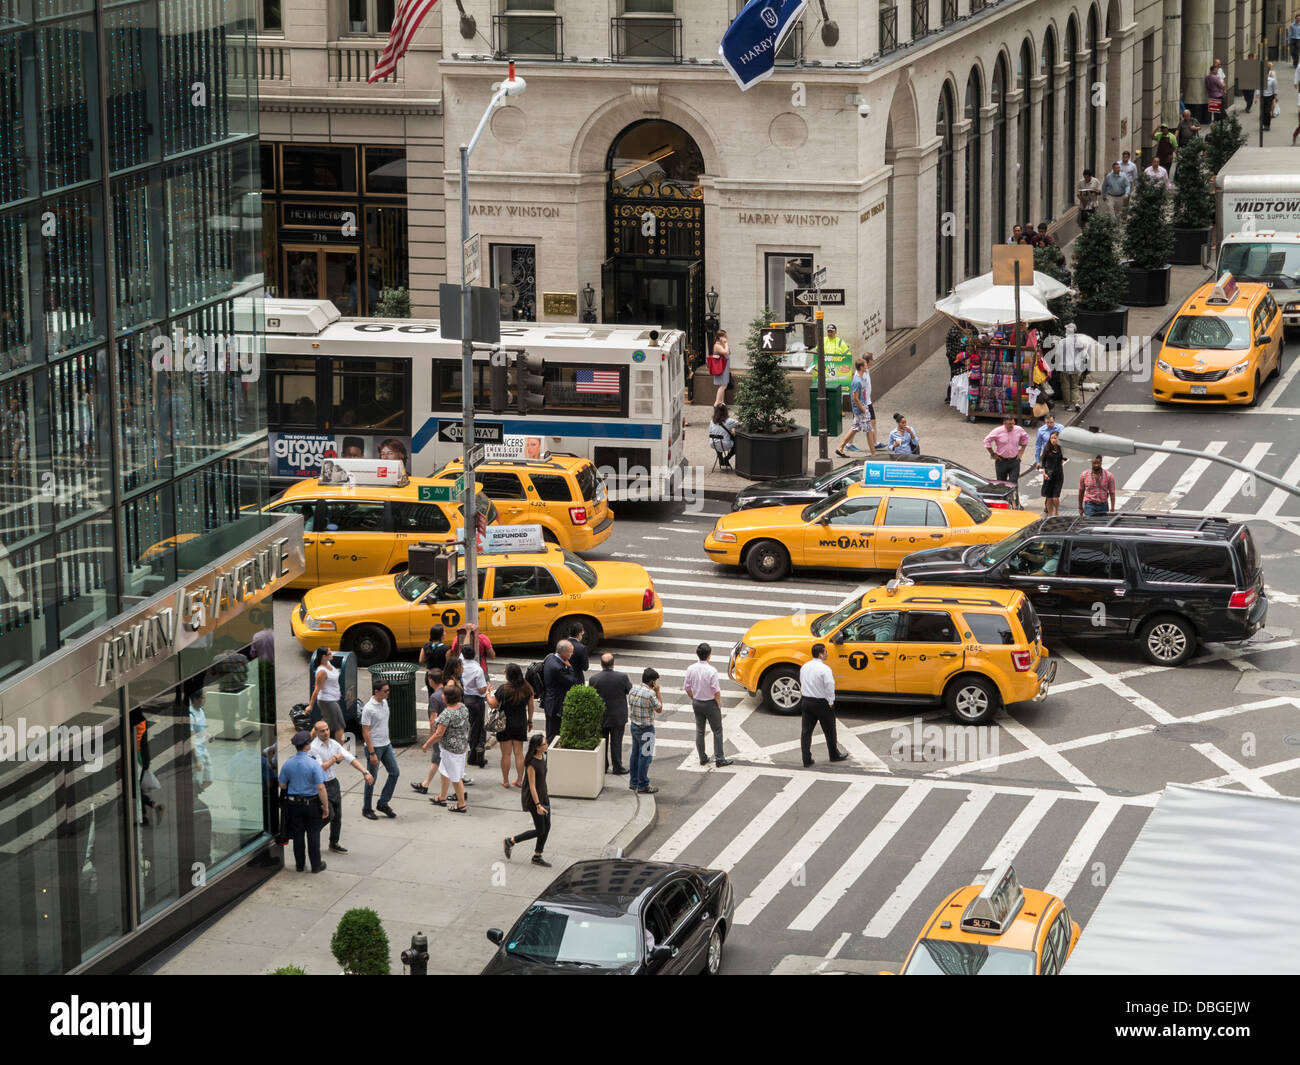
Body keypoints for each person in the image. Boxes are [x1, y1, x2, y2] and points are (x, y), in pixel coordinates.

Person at [310, 718, 373, 854]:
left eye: (327, 729)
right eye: (322, 731)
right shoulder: (313, 748)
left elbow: (349, 757)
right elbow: (320, 768)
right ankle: (312, 834)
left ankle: (334, 842)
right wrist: (334, 759)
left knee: (337, 816)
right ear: (316, 733)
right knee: (328, 815)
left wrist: (365, 772)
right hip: (322, 785)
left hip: (333, 783)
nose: (326, 732)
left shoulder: (333, 744)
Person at [278, 730, 330, 873]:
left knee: (298, 834)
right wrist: (325, 807)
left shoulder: (288, 763)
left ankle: (299, 865)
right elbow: (321, 787)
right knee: (313, 835)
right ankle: (316, 865)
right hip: (311, 804)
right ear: (307, 746)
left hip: (294, 804)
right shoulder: (313, 765)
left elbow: (282, 785)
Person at [503, 734, 552, 867]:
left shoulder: (543, 756)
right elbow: (531, 786)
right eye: (544, 744)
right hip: (534, 800)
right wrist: (537, 805)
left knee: (547, 827)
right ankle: (511, 841)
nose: (547, 745)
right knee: (540, 830)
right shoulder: (531, 763)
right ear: (537, 747)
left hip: (544, 796)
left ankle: (537, 856)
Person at [683, 643, 731, 768]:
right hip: (710, 703)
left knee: (700, 731)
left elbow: (687, 687)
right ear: (709, 655)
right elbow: (716, 690)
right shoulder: (711, 671)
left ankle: (702, 758)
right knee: (717, 731)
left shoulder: (690, 669)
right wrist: (718, 703)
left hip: (697, 702)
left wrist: (694, 697)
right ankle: (720, 758)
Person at [799, 643, 847, 767]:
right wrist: (831, 701)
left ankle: (806, 759)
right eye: (825, 652)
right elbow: (829, 686)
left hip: (806, 701)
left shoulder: (805, 666)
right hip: (821, 703)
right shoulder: (825, 669)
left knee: (806, 732)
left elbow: (802, 681)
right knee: (830, 730)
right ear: (820, 654)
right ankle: (834, 755)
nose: (827, 653)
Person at [489, 663, 534, 788]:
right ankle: (519, 780)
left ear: (508, 675)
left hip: (505, 724)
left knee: (506, 754)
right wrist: (530, 721)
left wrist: (488, 694)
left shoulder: (504, 689)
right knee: (519, 753)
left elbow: (493, 704)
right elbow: (531, 706)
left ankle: (505, 781)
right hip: (520, 723)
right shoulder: (527, 688)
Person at [360, 680, 399, 819]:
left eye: (388, 690)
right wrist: (372, 753)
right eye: (385, 691)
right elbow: (365, 732)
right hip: (374, 747)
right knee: (371, 778)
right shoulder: (368, 708)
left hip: (386, 744)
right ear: (376, 691)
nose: (388, 693)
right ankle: (367, 808)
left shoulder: (384, 702)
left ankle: (383, 803)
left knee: (394, 772)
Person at [429, 682, 470, 813]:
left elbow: (438, 734)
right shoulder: (463, 707)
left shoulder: (446, 714)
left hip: (451, 750)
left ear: (447, 698)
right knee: (444, 771)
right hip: (461, 746)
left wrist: (426, 744)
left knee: (456, 778)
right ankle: (442, 797)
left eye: (444, 695)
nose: (441, 696)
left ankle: (461, 804)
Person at [591, 652, 632, 775]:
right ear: (613, 664)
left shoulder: (594, 679)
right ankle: (617, 767)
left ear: (601, 665)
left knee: (602, 742)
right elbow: (628, 690)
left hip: (601, 716)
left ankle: (603, 766)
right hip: (617, 715)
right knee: (616, 743)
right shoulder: (622, 677)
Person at [627, 667, 664, 795]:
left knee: (635, 754)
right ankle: (643, 784)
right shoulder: (650, 694)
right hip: (646, 728)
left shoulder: (633, 690)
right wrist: (658, 692)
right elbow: (659, 709)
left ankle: (634, 782)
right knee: (646, 757)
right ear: (652, 682)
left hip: (634, 726)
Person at [413, 667, 446, 794]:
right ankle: (425, 783)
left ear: (431, 680)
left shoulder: (434, 697)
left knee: (438, 757)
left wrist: (431, 735)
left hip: (440, 732)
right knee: (438, 758)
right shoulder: (448, 692)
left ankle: (426, 784)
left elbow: (433, 718)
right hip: (449, 731)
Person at [459, 641, 490, 768]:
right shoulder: (478, 669)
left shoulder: (460, 663)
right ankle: (474, 755)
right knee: (476, 728)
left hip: (465, 698)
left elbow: (463, 648)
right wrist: (487, 687)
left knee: (473, 726)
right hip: (477, 701)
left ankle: (476, 753)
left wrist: (467, 632)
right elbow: (482, 689)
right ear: (475, 654)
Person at [1050, 322, 1093, 411]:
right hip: (1075, 367)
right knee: (1075, 386)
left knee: (1065, 386)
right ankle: (1076, 402)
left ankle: (1067, 405)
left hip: (1064, 367)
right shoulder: (1079, 342)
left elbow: (1057, 354)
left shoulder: (1062, 342)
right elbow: (1084, 355)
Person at [305, 647, 345, 744]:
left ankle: (306, 744)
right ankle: (340, 751)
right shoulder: (322, 671)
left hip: (333, 699)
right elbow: (317, 689)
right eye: (330, 653)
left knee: (325, 723)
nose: (332, 654)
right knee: (340, 726)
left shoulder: (329, 664)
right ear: (324, 657)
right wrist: (310, 705)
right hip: (328, 701)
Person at [836, 357, 873, 458]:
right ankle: (874, 454)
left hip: (862, 406)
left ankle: (840, 448)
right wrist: (863, 409)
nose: (867, 366)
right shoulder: (857, 381)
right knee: (869, 430)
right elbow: (855, 398)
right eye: (865, 365)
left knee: (855, 428)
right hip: (861, 408)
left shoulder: (860, 378)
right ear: (861, 367)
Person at [541, 639, 577, 741]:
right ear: (563, 652)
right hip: (555, 705)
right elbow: (572, 681)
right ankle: (549, 754)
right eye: (570, 652)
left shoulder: (550, 658)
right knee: (554, 733)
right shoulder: (558, 668)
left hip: (550, 701)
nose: (572, 654)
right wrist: (570, 668)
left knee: (551, 730)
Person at [984, 414, 1029, 483]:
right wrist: (992, 454)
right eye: (1009, 424)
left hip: (1014, 460)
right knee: (1001, 484)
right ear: (1004, 423)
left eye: (1013, 423)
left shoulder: (1018, 429)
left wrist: (1021, 451)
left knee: (1013, 483)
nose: (1012, 426)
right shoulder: (998, 431)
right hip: (1001, 461)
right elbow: (986, 441)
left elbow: (1025, 437)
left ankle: (1014, 494)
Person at [1037, 431, 1067, 516]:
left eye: (1055, 438)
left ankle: (1056, 512)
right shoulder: (1047, 449)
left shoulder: (1062, 449)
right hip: (1048, 474)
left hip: (1058, 474)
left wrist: (1064, 457)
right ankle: (1050, 515)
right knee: (1049, 497)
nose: (1053, 440)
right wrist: (1044, 473)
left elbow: (1065, 458)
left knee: (1055, 497)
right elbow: (1043, 462)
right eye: (1051, 438)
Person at [419, 624, 449, 706]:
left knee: (431, 698)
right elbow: (448, 664)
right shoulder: (446, 649)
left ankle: (432, 715)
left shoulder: (426, 646)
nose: (445, 633)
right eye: (444, 632)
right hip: (440, 676)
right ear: (441, 635)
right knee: (443, 699)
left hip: (429, 675)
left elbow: (421, 660)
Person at [709, 403, 739, 470]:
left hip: (713, 443)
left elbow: (711, 431)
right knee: (737, 445)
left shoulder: (712, 421)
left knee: (718, 441)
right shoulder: (729, 421)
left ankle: (720, 459)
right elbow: (739, 424)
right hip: (725, 444)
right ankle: (726, 458)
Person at [711, 328, 730, 408]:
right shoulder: (717, 345)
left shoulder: (720, 345)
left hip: (725, 366)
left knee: (724, 385)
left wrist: (725, 344)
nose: (726, 337)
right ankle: (716, 403)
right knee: (723, 385)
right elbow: (726, 352)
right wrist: (726, 344)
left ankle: (721, 403)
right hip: (721, 367)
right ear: (720, 337)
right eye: (724, 336)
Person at [1264, 62, 1278, 132]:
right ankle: (1264, 124)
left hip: (1270, 96)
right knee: (1263, 112)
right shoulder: (1262, 78)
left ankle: (1267, 125)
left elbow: (1275, 88)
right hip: (1263, 97)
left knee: (1267, 111)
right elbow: (1258, 88)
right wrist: (1257, 97)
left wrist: (1275, 97)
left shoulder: (1272, 78)